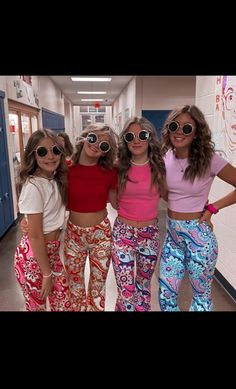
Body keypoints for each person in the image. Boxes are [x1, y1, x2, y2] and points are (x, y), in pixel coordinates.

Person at [159, 104, 236, 311]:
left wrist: (213, 208)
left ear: (196, 133)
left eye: (187, 128)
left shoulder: (209, 159)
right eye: (175, 126)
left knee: (201, 298)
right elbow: (166, 194)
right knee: (166, 295)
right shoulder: (166, 156)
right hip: (172, 238)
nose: (179, 131)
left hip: (199, 238)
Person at [111, 117, 166, 311]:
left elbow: (172, 195)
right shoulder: (118, 168)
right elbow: (99, 188)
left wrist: (203, 208)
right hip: (123, 234)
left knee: (143, 288)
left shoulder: (159, 168)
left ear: (150, 137)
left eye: (142, 135)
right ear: (125, 140)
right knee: (126, 291)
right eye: (130, 136)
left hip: (149, 234)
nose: (136, 140)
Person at [14, 129, 71, 311]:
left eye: (55, 150)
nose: (50, 156)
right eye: (42, 151)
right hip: (34, 256)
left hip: (51, 253)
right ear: (33, 154)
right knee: (37, 306)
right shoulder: (33, 186)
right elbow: (36, 236)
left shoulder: (54, 180)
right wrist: (47, 273)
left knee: (63, 302)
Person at [64, 124, 119, 311]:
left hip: (100, 235)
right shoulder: (65, 169)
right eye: (94, 138)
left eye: (104, 146)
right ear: (85, 137)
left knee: (97, 287)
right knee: (75, 286)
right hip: (73, 235)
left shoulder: (110, 173)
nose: (96, 145)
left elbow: (117, 203)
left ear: (106, 153)